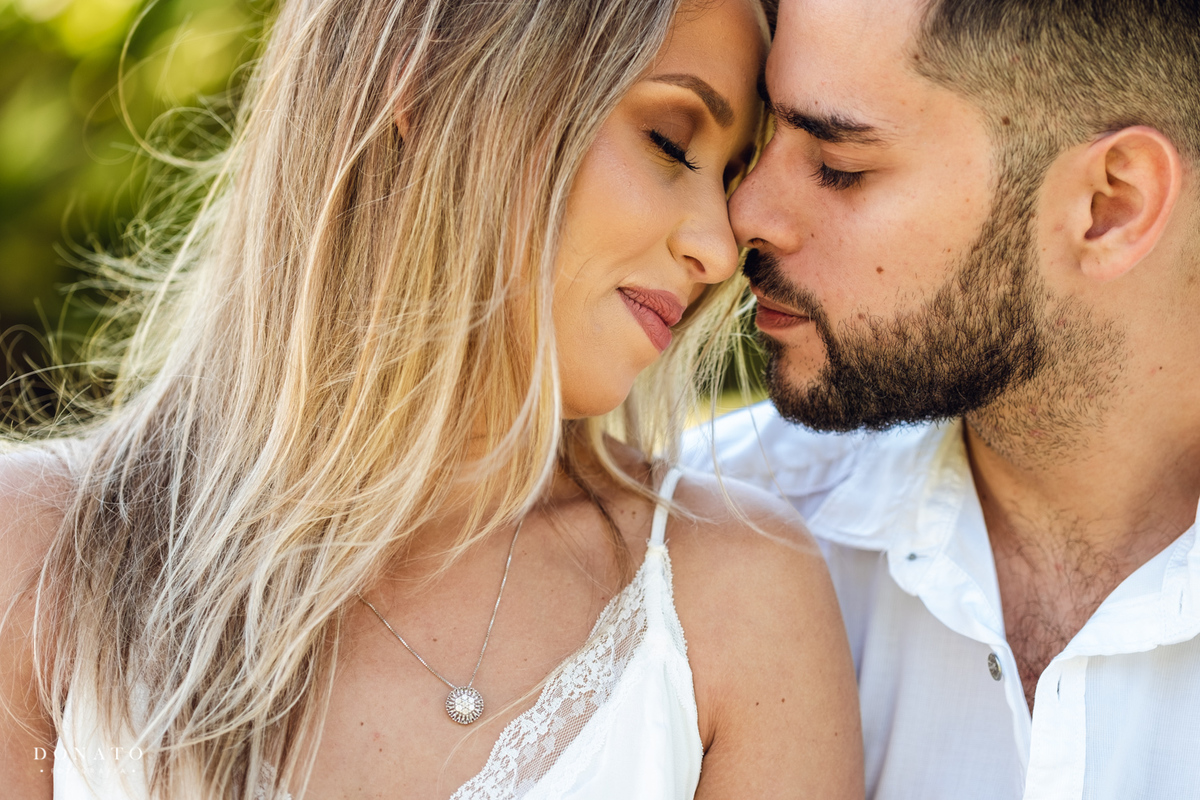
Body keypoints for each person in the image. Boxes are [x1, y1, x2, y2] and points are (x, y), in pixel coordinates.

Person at [0, 0, 866, 798]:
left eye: (729, 177)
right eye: (671, 142)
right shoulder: (33, 560)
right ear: (422, 82)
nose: (720, 249)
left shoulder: (735, 605)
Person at [687, 0, 1200, 798]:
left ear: (1109, 206)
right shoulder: (697, 533)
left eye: (840, 165)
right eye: (762, 140)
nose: (743, 216)